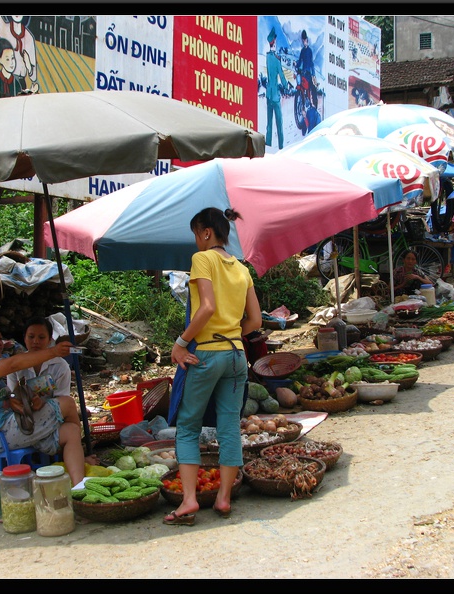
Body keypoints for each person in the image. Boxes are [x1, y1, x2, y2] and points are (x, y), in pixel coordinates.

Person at [164, 207, 262, 525]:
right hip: (236, 356)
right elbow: (256, 321)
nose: (195, 241)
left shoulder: (202, 260)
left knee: (189, 427)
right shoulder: (242, 268)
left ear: (207, 232)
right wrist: (231, 336)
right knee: (229, 426)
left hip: (207, 354)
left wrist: (180, 344)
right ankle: (223, 499)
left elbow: (206, 308)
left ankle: (189, 501)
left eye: (196, 234)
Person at [0, 323, 89, 484]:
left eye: (0, 338)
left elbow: (2, 397)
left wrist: (19, 401)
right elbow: (13, 364)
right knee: (68, 404)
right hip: (1, 434)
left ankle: (78, 486)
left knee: (71, 430)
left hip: (9, 430)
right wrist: (53, 352)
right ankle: (81, 455)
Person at [264, 27, 288, 149]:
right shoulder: (277, 59)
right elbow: (282, 75)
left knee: (269, 123)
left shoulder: (268, 57)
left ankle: (268, 144)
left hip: (268, 93)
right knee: (279, 123)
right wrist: (286, 85)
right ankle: (281, 147)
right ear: (274, 42)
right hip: (275, 96)